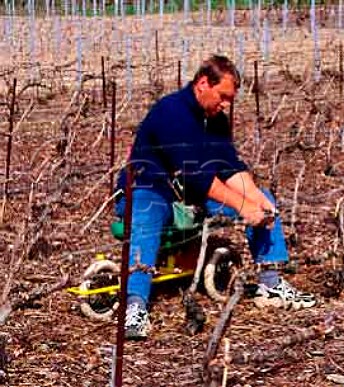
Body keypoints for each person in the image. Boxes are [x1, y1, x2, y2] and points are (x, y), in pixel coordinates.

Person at [115, 55, 316, 340]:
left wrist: (255, 198)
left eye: (230, 99)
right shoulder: (171, 113)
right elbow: (195, 174)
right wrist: (242, 205)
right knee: (146, 216)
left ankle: (270, 283)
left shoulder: (216, 120)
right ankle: (134, 306)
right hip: (149, 189)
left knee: (264, 199)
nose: (226, 105)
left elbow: (228, 167)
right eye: (222, 96)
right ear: (202, 84)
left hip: (190, 195)